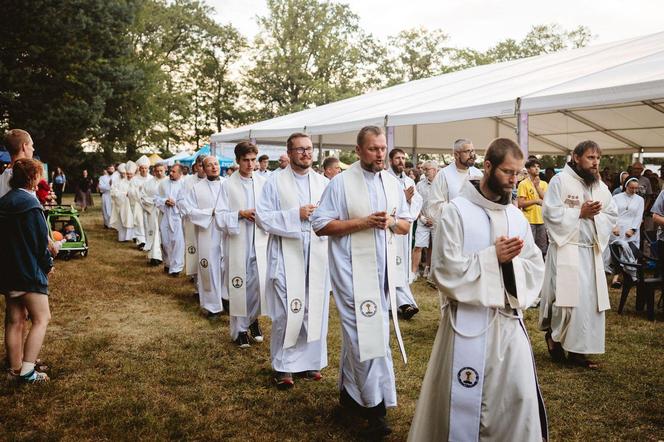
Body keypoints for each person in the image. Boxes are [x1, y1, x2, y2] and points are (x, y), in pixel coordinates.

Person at [408, 138, 547, 442]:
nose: (514, 180)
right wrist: (491, 258)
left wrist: (511, 266)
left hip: (507, 322)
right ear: (487, 166)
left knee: (518, 396)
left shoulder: (514, 216)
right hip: (465, 326)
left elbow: (535, 265)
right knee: (459, 401)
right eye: (508, 172)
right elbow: (444, 269)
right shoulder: (456, 212)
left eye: (518, 174)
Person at [311, 126, 411, 437]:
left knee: (363, 338)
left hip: (382, 276)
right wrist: (363, 222)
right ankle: (374, 409)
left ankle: (349, 399)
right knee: (367, 338)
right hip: (352, 274)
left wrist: (391, 222)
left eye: (382, 148)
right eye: (373, 149)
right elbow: (319, 224)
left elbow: (405, 224)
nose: (380, 154)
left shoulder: (392, 184)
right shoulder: (341, 183)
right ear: (357, 151)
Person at [257, 133, 330, 388]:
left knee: (314, 308)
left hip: (317, 253)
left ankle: (311, 362)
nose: (306, 154)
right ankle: (284, 367)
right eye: (300, 150)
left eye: (309, 149)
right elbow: (263, 218)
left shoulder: (323, 183)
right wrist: (295, 214)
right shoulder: (274, 182)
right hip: (287, 254)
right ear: (289, 153)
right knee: (288, 311)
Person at [539, 140, 617, 369]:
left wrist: (595, 217)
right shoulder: (560, 181)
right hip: (566, 250)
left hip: (589, 252)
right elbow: (550, 213)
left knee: (588, 305)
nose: (595, 163)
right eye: (591, 158)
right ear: (576, 157)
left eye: (598, 158)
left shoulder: (600, 187)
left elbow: (611, 214)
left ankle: (578, 351)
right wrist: (579, 213)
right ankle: (554, 338)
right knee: (566, 302)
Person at [0, 158, 54, 383]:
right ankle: (28, 371)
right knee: (42, 318)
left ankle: (14, 369)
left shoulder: (3, 202)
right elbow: (40, 243)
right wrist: (48, 264)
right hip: (28, 272)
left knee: (14, 320)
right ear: (33, 178)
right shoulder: (31, 205)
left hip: (8, 272)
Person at [217, 141, 268, 348]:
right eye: (245, 160)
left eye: (253, 160)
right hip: (238, 241)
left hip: (260, 240)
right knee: (239, 285)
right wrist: (240, 214)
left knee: (259, 285)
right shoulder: (227, 185)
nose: (250, 164)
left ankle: (252, 319)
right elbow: (219, 216)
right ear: (237, 161)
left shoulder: (264, 182)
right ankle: (239, 330)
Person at [183, 156, 226, 318]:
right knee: (210, 267)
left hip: (227, 231)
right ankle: (212, 306)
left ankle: (227, 298)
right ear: (203, 168)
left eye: (216, 164)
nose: (214, 167)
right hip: (207, 232)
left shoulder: (228, 185)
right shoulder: (197, 188)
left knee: (228, 266)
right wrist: (210, 212)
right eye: (209, 165)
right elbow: (188, 210)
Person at [387, 148, 421, 319]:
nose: (400, 161)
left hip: (403, 231)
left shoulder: (409, 181)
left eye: (403, 158)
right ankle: (400, 303)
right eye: (397, 158)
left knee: (400, 268)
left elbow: (416, 204)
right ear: (390, 160)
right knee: (390, 267)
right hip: (389, 231)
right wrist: (403, 199)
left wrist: (407, 201)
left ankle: (403, 302)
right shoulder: (385, 179)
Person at [427, 138, 483, 221]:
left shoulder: (478, 174)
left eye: (473, 151)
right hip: (452, 226)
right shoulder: (443, 175)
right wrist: (459, 208)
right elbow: (434, 207)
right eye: (467, 151)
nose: (472, 155)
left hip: (474, 224)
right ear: (456, 155)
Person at [605, 176, 644, 287]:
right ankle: (616, 278)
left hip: (631, 229)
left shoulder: (640, 200)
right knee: (617, 251)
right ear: (626, 186)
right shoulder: (616, 197)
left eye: (636, 188)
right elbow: (612, 212)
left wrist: (633, 229)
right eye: (631, 188)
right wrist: (614, 226)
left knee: (629, 251)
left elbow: (638, 216)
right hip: (617, 228)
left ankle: (630, 275)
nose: (634, 190)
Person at [179, 156, 207, 282]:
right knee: (194, 249)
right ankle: (196, 279)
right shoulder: (188, 182)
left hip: (209, 223)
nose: (204, 169)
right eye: (201, 166)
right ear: (196, 167)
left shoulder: (218, 181)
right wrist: (193, 212)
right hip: (192, 221)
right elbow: (181, 200)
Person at [156, 164, 186, 277]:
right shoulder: (163, 183)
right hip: (166, 216)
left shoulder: (184, 184)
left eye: (173, 171)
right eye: (170, 171)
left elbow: (187, 201)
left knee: (178, 243)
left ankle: (176, 268)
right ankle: (168, 263)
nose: (171, 173)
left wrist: (176, 204)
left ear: (180, 173)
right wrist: (165, 201)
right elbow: (156, 197)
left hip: (178, 217)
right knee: (165, 241)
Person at [412, 160, 438, 281]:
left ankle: (430, 270)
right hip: (422, 220)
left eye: (427, 169)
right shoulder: (419, 185)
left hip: (437, 221)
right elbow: (414, 204)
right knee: (418, 246)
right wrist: (422, 218)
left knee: (435, 247)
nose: (424, 172)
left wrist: (436, 219)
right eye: (424, 169)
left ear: (434, 170)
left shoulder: (442, 184)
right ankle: (414, 272)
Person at [517, 158, 549, 257]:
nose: (537, 169)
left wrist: (537, 186)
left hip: (542, 220)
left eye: (538, 166)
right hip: (529, 220)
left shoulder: (543, 183)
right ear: (528, 169)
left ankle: (542, 269)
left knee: (542, 248)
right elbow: (520, 203)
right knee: (529, 247)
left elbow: (547, 200)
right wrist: (536, 201)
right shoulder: (523, 184)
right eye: (534, 166)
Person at [140, 163, 168, 266]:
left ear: (165, 170)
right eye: (157, 171)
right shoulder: (148, 183)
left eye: (161, 170)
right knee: (154, 232)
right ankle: (155, 257)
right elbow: (142, 196)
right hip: (152, 211)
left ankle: (166, 256)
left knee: (164, 233)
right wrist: (154, 202)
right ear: (154, 171)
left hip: (164, 212)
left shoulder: (168, 182)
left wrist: (162, 203)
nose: (159, 173)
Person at [1, 129, 36, 199]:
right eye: (31, 145)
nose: (33, 149)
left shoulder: (2, 177)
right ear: (24, 146)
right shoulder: (25, 176)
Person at [128, 156, 151, 249]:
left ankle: (149, 240)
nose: (144, 170)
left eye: (145, 168)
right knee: (140, 222)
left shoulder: (151, 178)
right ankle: (141, 241)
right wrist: (139, 190)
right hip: (138, 203)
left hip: (149, 204)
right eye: (142, 168)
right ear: (139, 169)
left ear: (148, 169)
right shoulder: (134, 179)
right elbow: (130, 192)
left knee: (149, 222)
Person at [109, 163, 134, 242]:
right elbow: (113, 191)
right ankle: (122, 237)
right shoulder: (116, 181)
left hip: (129, 203)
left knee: (129, 219)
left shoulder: (131, 180)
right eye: (121, 173)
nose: (123, 175)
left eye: (125, 173)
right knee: (121, 219)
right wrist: (121, 194)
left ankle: (129, 237)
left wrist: (128, 194)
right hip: (120, 203)